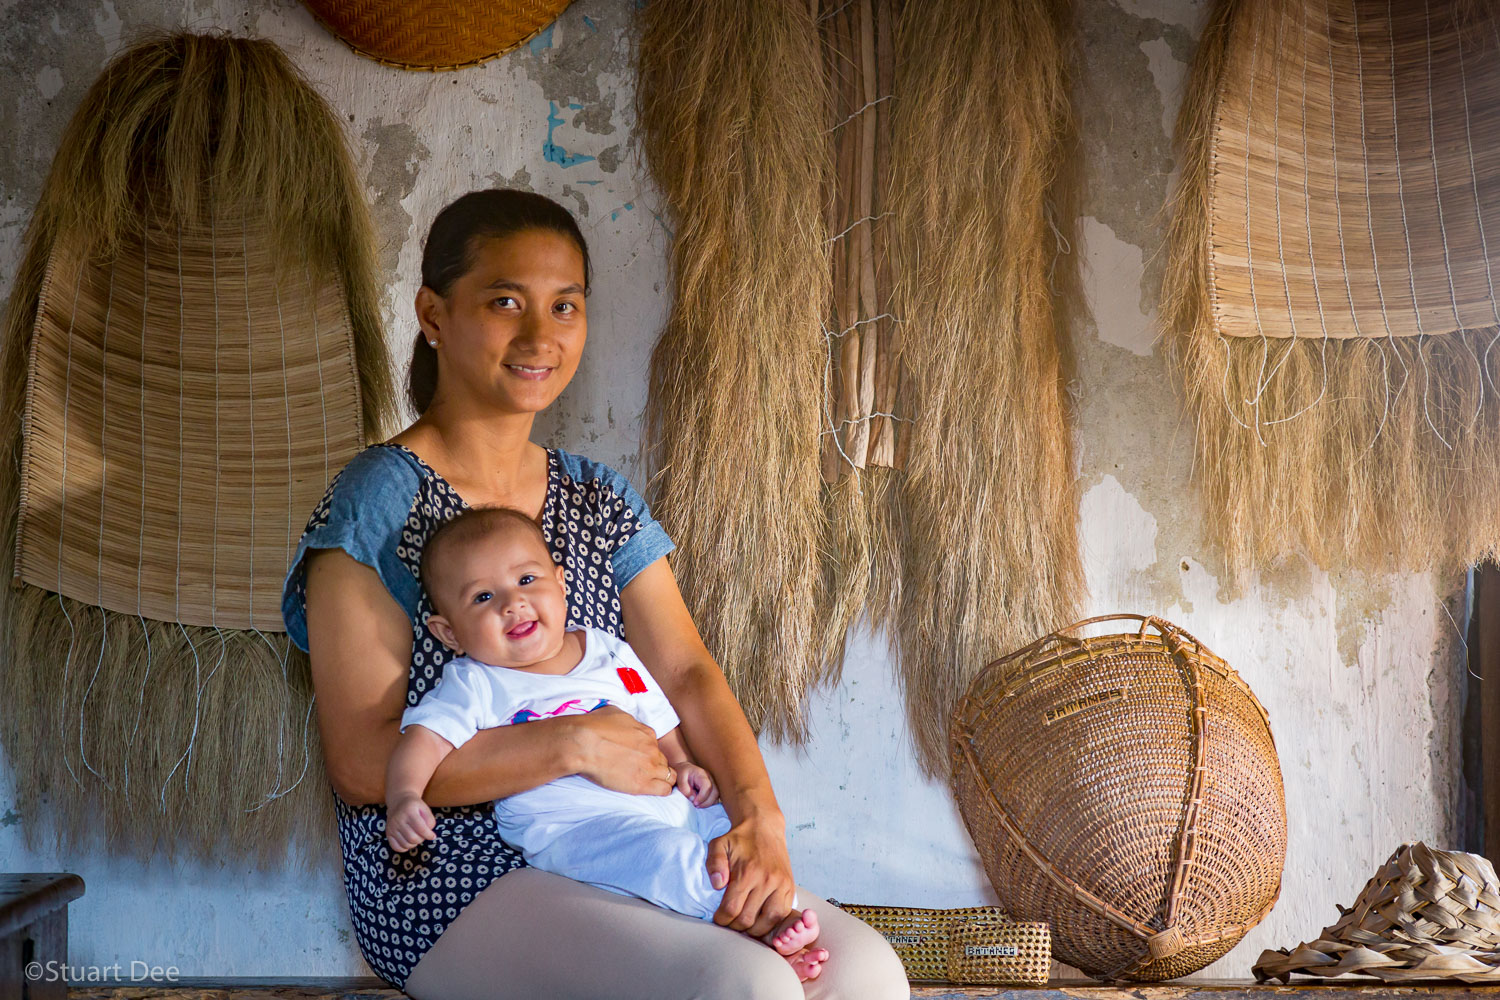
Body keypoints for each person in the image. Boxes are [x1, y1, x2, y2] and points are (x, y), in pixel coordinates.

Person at [280, 188, 909, 999]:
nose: (540, 335)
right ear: (433, 314)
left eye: (564, 305)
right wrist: (573, 745)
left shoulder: (596, 498)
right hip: (455, 872)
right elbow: (363, 764)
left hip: (644, 832)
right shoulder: (380, 500)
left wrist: (760, 821)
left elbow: (685, 673)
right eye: (505, 302)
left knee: (867, 977)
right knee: (740, 986)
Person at [385, 505, 828, 981]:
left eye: (527, 580)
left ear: (561, 584)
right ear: (448, 632)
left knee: (723, 834)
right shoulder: (474, 683)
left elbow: (653, 712)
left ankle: (776, 912)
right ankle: (759, 932)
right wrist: (405, 796)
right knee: (664, 859)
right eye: (484, 596)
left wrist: (681, 763)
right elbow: (422, 742)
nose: (512, 604)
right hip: (578, 827)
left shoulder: (606, 651)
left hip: (662, 799)